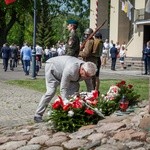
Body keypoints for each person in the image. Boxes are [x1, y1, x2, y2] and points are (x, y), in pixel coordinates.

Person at [34, 56, 97, 123]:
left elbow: (90, 86)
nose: (87, 78)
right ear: (82, 69)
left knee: (74, 94)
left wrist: (91, 98)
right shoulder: (70, 69)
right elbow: (63, 88)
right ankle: (38, 115)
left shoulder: (88, 71)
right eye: (86, 75)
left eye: (89, 76)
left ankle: (69, 115)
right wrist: (64, 100)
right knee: (51, 91)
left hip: (70, 76)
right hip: (53, 68)